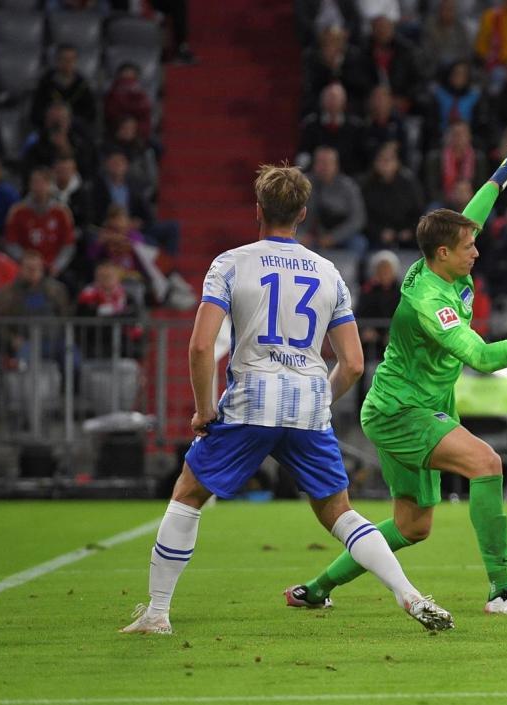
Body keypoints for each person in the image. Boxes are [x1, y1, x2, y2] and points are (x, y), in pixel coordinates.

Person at [121, 164, 453, 635]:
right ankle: (409, 594)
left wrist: (203, 408)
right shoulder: (328, 272)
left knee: (189, 494)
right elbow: (354, 363)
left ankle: (156, 613)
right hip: (306, 404)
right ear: (301, 213)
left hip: (252, 399)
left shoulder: (231, 263)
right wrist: (320, 397)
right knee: (339, 512)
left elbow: (200, 346)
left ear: (258, 210)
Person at [287, 145, 507, 615]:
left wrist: (498, 178)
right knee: (487, 464)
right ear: (444, 253)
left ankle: (316, 588)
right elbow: (484, 357)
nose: (478, 249)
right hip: (402, 410)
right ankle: (501, 591)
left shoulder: (438, 260)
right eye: (469, 247)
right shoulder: (433, 302)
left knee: (412, 526)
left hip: (411, 403)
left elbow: (466, 222)